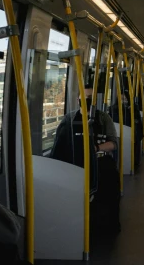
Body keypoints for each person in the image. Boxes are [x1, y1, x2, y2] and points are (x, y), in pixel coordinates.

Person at [50, 84, 121, 234]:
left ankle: (110, 226)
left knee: (109, 182)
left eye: (90, 99)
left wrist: (95, 148)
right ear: (78, 100)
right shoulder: (69, 120)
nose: (87, 102)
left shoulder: (103, 119)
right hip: (75, 163)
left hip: (100, 161)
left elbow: (113, 144)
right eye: (84, 98)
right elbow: (59, 146)